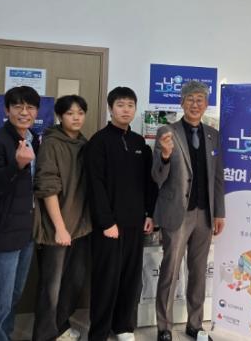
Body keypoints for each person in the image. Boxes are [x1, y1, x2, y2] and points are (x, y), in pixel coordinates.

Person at [153, 81, 225, 341]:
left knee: (198, 273)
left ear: (206, 104)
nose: (195, 104)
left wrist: (219, 212)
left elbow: (217, 177)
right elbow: (157, 176)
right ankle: (164, 327)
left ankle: (195, 324)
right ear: (181, 102)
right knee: (170, 272)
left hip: (204, 214)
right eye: (190, 99)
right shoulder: (167, 132)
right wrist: (164, 155)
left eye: (200, 100)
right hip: (177, 214)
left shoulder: (213, 134)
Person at [85, 87, 156, 341]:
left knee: (130, 279)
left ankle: (124, 326)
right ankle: (99, 331)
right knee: (106, 280)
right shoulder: (98, 142)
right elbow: (95, 185)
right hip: (109, 226)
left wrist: (149, 214)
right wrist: (106, 222)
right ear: (110, 108)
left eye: (130, 105)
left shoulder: (139, 144)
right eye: (120, 105)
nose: (126, 110)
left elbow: (149, 183)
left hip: (135, 223)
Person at [0, 85, 40, 341]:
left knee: (13, 296)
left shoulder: (34, 140)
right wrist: (17, 165)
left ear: (36, 112)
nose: (24, 112)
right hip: (3, 234)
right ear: (6, 110)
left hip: (26, 232)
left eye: (30, 107)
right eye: (18, 106)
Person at [32, 95, 92, 341]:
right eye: (70, 113)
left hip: (81, 226)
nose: (76, 117)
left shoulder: (84, 143)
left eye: (80, 112)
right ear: (59, 116)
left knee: (74, 281)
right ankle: (44, 335)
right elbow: (47, 187)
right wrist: (59, 227)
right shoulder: (51, 143)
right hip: (57, 227)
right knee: (51, 286)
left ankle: (60, 326)